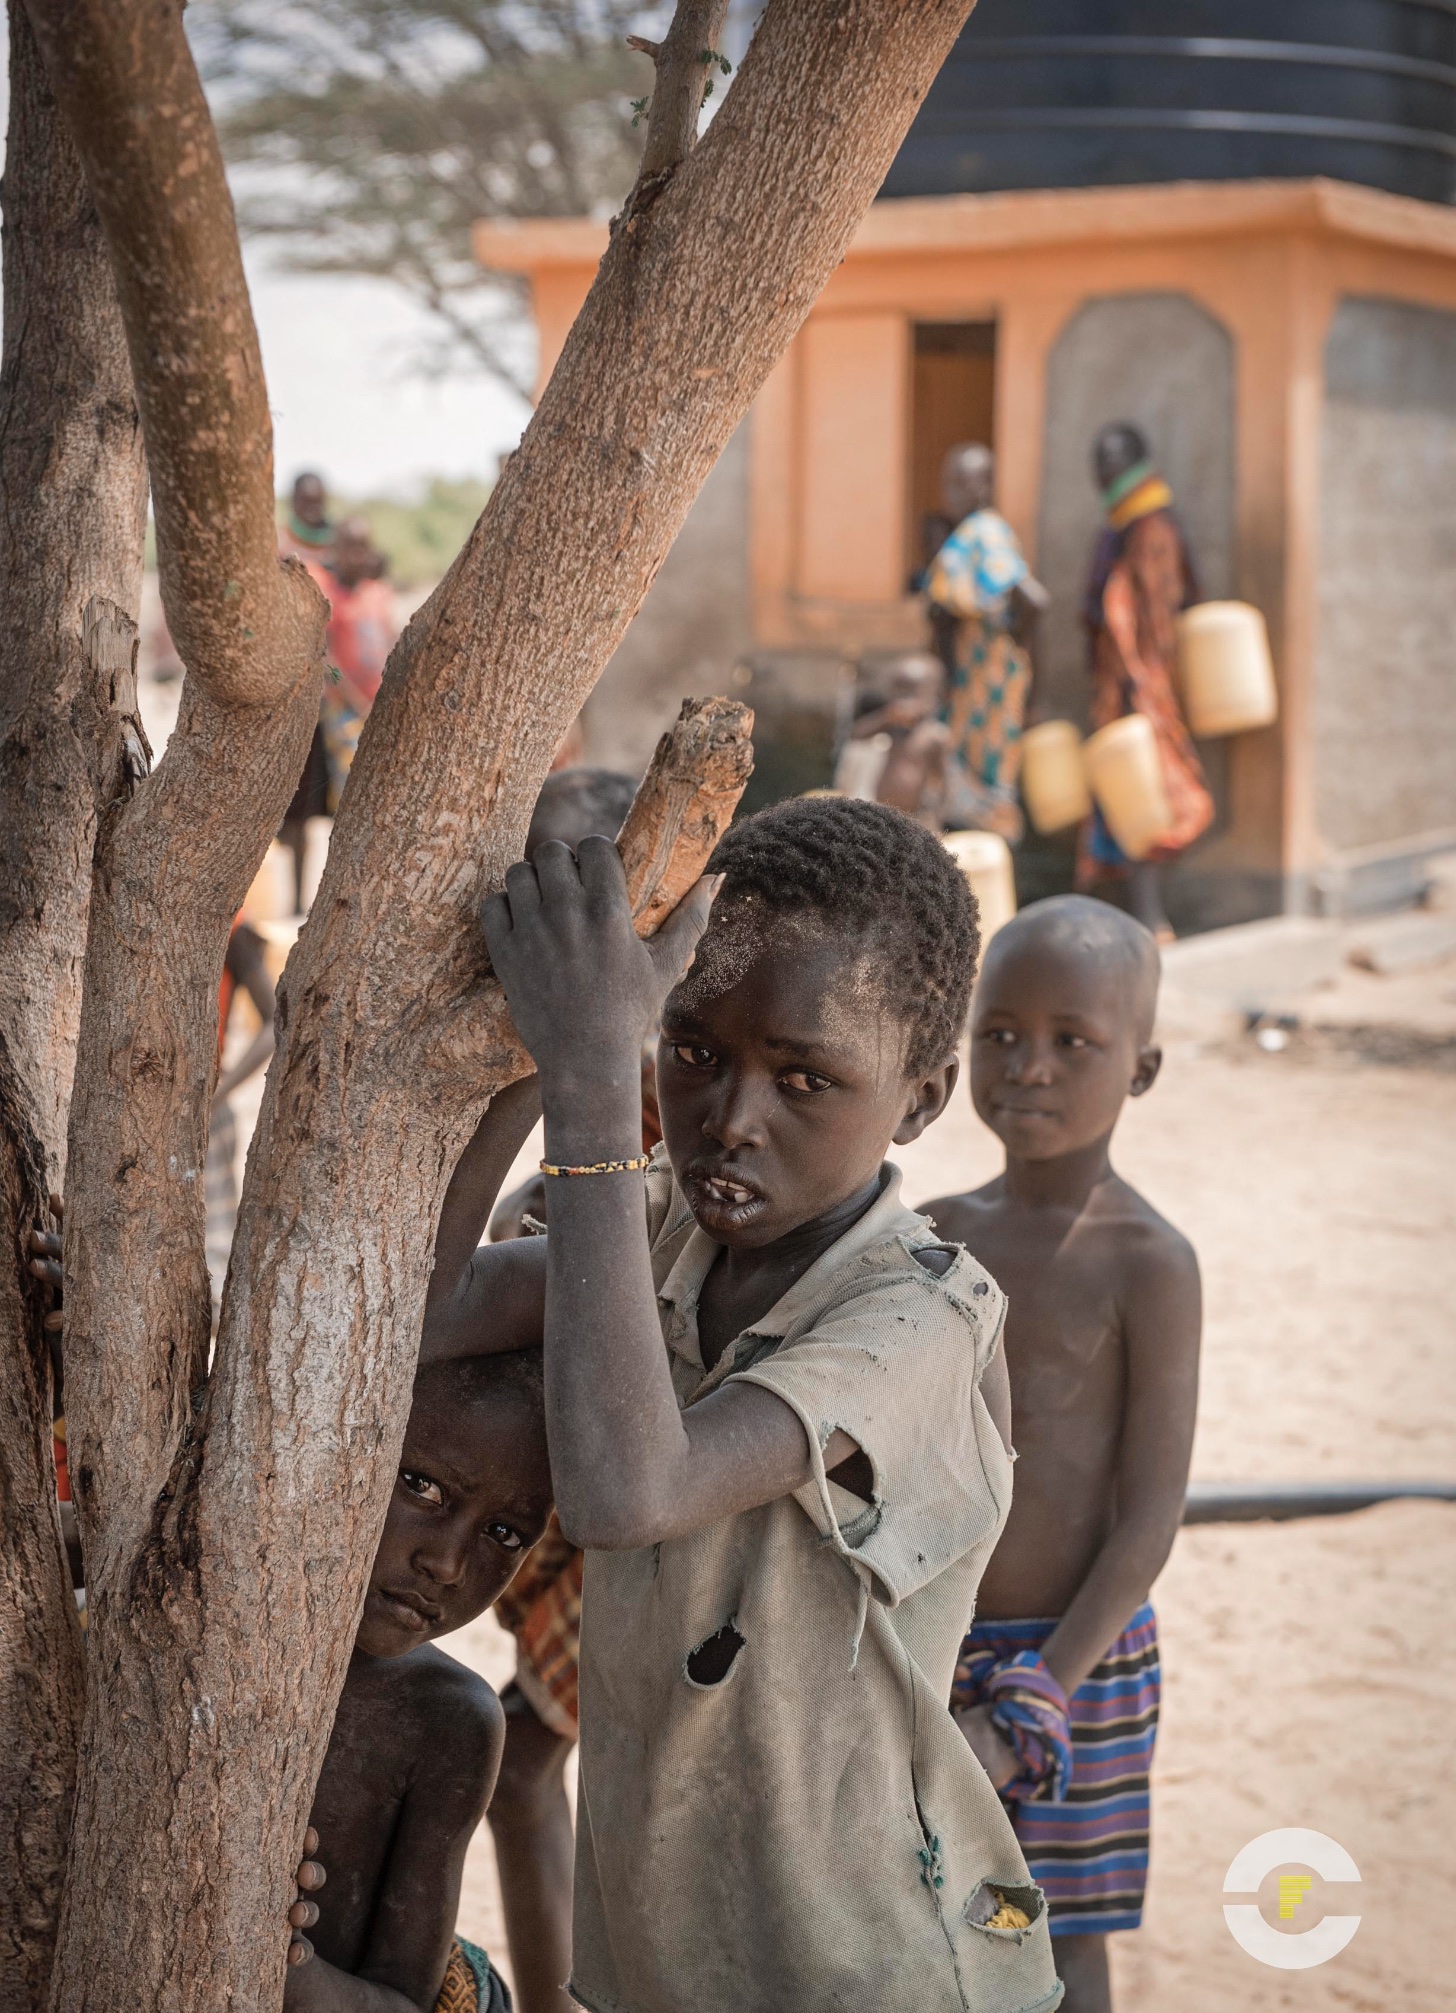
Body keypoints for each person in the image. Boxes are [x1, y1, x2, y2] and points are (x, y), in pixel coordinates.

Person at [426, 795, 1063, 2013]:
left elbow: (630, 1491)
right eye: (695, 1049)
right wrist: (537, 1043)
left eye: (806, 1077)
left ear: (921, 1102)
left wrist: (590, 1081)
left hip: (873, 1966)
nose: (730, 1118)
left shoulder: (925, 1316)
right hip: (670, 1956)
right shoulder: (659, 1227)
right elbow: (418, 1312)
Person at [920, 896, 1201, 2013]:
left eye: (1071, 1042)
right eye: (999, 1035)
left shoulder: (1148, 1262)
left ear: (1141, 1069)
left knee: (1058, 1942)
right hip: (929, 1649)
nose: (1026, 1068)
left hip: (1082, 1669)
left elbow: (1146, 1522)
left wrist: (1039, 1691)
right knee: (918, 1923)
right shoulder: (934, 1232)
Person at [478, 764, 639, 2013]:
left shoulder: (668, 1065)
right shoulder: (515, 1054)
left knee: (546, 1765)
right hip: (576, 1461)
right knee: (526, 1763)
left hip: (639, 1468)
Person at [283, 1315, 554, 2013]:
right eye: (422, 1485)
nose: (447, 1562)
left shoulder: (447, 1719)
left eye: (504, 1533)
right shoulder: (175, 1597)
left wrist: (269, 1959)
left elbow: (405, 2001)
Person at [1079, 423, 1215, 942]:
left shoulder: (1150, 529)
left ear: (1133, 462)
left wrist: (1138, 677)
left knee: (1145, 795)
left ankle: (1150, 919)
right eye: (1097, 461)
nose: (1100, 473)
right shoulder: (1123, 526)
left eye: (1108, 462)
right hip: (1118, 684)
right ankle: (1131, 917)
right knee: (1121, 795)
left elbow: (1147, 614)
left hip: (1140, 685)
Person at [927, 443, 1049, 843]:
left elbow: (1033, 599)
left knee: (988, 778)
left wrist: (1009, 636)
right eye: (949, 482)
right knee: (963, 777)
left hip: (991, 680)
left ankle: (992, 877)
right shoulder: (970, 533)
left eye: (963, 482)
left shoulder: (984, 533)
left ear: (984, 486)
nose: (952, 492)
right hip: (976, 679)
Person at [312, 517, 400, 811]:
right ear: (335, 550)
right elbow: (328, 662)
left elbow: (390, 643)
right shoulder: (327, 597)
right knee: (352, 788)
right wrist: (356, 700)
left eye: (363, 548)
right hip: (346, 711)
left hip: (380, 705)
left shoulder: (377, 593)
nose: (357, 556)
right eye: (349, 548)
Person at [279, 472, 337, 912]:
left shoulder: (341, 549)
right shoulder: (282, 548)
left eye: (318, 500)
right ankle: (296, 904)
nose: (312, 508)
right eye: (305, 500)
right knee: (295, 813)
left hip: (336, 704)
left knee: (336, 807)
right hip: (296, 694)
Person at [834, 652, 951, 829]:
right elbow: (856, 735)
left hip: (916, 816)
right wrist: (885, 718)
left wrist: (937, 816)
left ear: (936, 696)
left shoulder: (933, 735)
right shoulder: (891, 728)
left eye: (913, 691)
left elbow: (942, 781)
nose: (904, 698)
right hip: (881, 812)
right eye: (899, 690)